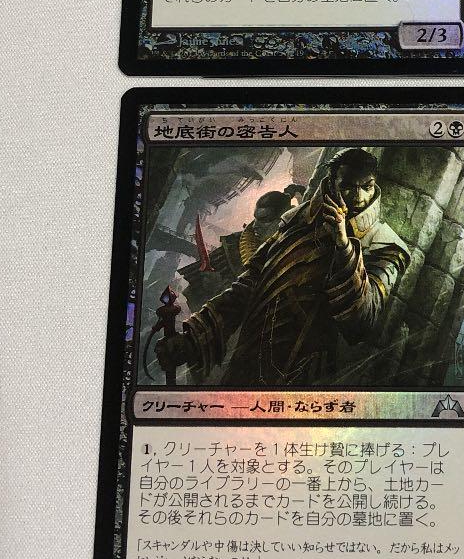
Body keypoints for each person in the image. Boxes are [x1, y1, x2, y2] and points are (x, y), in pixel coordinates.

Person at [156, 149, 410, 386]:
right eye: (347, 186)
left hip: (307, 372)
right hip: (250, 356)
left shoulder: (385, 246)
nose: (358, 197)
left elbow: (361, 323)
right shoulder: (295, 222)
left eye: (366, 187)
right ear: (332, 183)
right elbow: (246, 286)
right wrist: (192, 338)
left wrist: (343, 246)